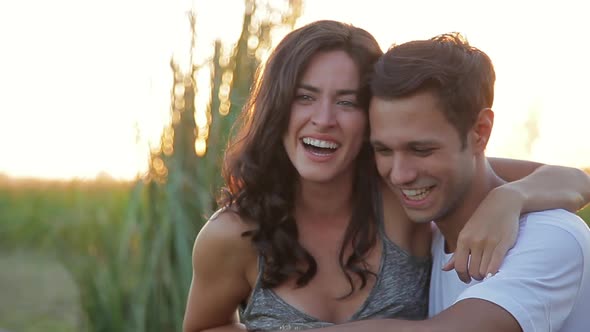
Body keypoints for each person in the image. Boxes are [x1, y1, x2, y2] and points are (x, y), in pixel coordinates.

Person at [182, 21, 590, 332]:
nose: (323, 120)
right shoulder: (233, 234)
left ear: (371, 117)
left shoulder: (400, 191)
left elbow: (573, 178)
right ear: (278, 107)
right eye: (304, 96)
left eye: (346, 101)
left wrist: (509, 199)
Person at [298, 32, 590, 332]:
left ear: (480, 131)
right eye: (383, 149)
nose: (399, 175)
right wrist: (512, 195)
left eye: (421, 150)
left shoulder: (551, 237)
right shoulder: (428, 232)